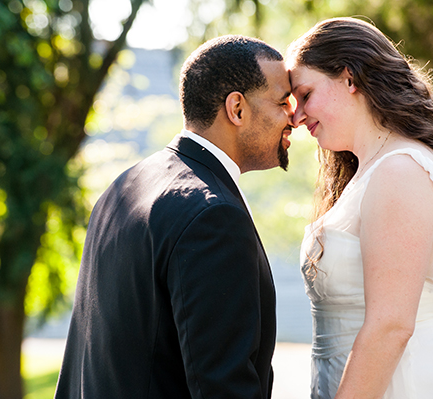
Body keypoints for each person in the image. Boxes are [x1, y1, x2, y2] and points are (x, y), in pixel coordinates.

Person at [54, 35, 294, 399]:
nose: (295, 117)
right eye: (282, 102)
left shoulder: (123, 189)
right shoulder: (213, 216)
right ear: (237, 109)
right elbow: (223, 386)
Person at [287, 17, 433, 399]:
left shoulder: (400, 170)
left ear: (349, 78)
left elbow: (391, 326)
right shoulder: (372, 171)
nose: (296, 117)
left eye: (306, 95)